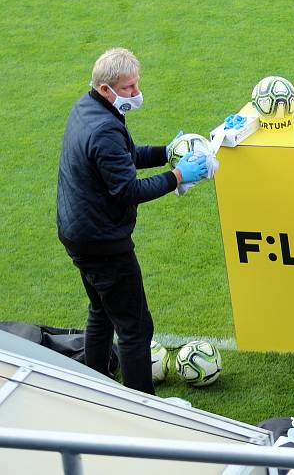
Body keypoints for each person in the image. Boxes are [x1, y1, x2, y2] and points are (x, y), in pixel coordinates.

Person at [56, 47, 207, 394]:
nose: (136, 93)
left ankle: (93, 385)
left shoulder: (87, 108)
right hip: (103, 242)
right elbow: (126, 189)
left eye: (136, 84)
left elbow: (123, 158)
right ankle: (142, 406)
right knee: (136, 328)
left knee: (101, 311)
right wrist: (178, 176)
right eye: (127, 88)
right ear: (106, 89)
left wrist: (163, 153)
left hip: (79, 232)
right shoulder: (105, 130)